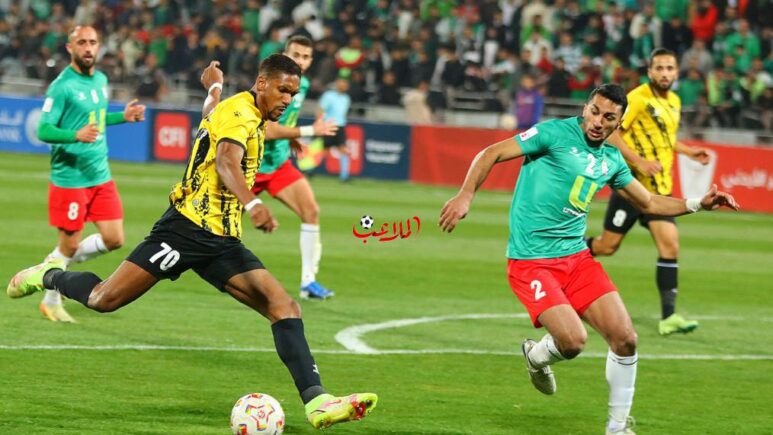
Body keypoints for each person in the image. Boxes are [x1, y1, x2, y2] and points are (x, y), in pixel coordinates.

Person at [7, 54, 377, 430]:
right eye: (283, 90)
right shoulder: (241, 114)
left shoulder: (242, 111)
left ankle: (317, 402)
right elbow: (226, 162)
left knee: (285, 308)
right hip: (184, 230)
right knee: (104, 299)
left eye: (293, 94)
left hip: (222, 240)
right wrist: (254, 204)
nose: (287, 99)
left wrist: (214, 86)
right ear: (262, 83)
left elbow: (210, 112)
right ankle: (49, 274)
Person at [439, 84, 738, 435]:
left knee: (626, 338)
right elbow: (491, 152)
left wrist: (698, 203)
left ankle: (617, 427)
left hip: (577, 259)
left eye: (609, 117)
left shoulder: (612, 160)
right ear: (585, 108)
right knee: (573, 342)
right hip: (531, 262)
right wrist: (465, 195)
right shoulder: (552, 134)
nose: (598, 121)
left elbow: (650, 202)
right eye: (594, 112)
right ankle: (536, 356)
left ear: (619, 122)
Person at [584, 48, 712, 336]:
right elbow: (613, 133)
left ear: (676, 72)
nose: (665, 73)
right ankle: (564, 251)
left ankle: (669, 317)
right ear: (650, 72)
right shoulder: (638, 98)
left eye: (670, 68)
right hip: (632, 188)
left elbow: (666, 138)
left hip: (660, 192)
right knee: (607, 247)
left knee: (670, 246)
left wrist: (689, 152)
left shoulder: (675, 101)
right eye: (660, 68)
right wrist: (639, 161)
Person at [201, 35, 338, 300]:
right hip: (249, 167)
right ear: (285, 54)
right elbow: (269, 129)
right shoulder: (271, 83)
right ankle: (206, 264)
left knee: (311, 211)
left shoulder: (301, 84)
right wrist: (310, 130)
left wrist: (292, 137)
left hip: (277, 165)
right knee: (218, 223)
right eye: (296, 55)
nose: (301, 61)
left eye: (306, 57)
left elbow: (284, 121)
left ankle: (308, 282)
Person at [36, 25, 146, 322]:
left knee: (114, 238)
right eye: (82, 42)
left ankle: (52, 263)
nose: (88, 47)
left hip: (100, 174)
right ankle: (50, 298)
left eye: (93, 42)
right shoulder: (62, 86)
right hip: (71, 177)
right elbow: (43, 129)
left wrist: (122, 117)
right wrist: (75, 135)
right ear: (70, 47)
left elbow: (95, 118)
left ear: (99, 47)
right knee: (70, 244)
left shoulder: (100, 79)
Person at [319, 78, 352, 182]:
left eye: (345, 84)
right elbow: (321, 110)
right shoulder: (328, 95)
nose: (344, 86)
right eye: (342, 83)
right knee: (323, 150)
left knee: (344, 150)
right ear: (337, 84)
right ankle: (309, 170)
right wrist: (319, 123)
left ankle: (344, 176)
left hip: (340, 127)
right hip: (329, 125)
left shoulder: (347, 98)